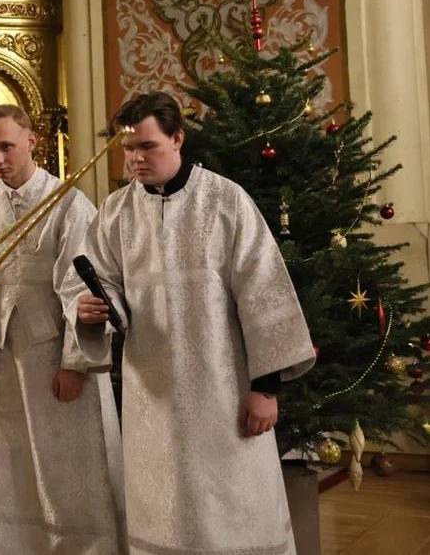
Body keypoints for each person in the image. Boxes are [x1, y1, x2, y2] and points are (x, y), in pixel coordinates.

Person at [65, 91, 316, 554]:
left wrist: (266, 389)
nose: (136, 159)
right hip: (152, 396)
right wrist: (93, 309)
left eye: (148, 146)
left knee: (234, 507)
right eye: (129, 148)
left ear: (177, 138)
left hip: (225, 393)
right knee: (164, 511)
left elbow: (265, 293)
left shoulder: (225, 201)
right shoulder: (116, 211)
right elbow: (98, 283)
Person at [0, 104, 125, 553]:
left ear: (32, 142)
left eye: (6, 147)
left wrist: (75, 364)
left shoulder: (68, 203)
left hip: (54, 356)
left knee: (64, 462)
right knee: (7, 461)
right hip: (1, 354)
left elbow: (83, 285)